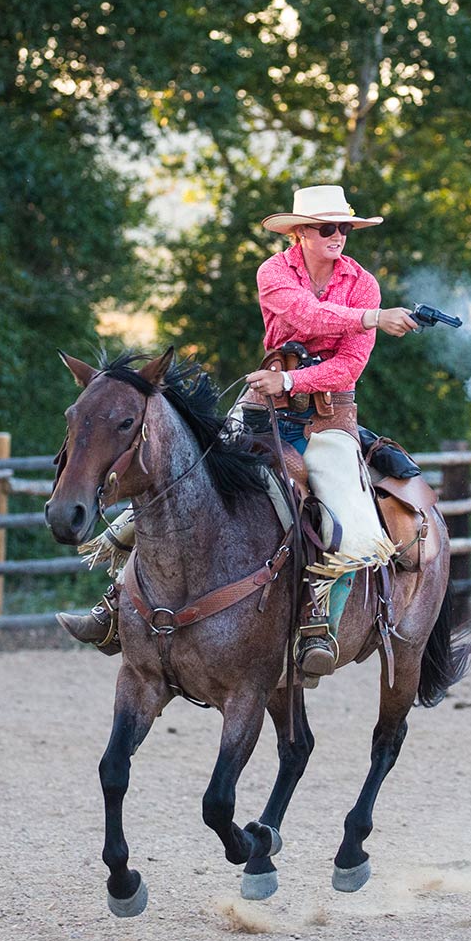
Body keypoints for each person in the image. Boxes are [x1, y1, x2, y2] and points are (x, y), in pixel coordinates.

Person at [57, 184, 416, 677]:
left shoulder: (363, 282)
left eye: (345, 227)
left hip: (329, 418)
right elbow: (304, 315)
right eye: (327, 227)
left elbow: (348, 368)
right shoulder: (274, 273)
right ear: (301, 233)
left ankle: (317, 620)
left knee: (348, 523)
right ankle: (116, 602)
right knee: (181, 484)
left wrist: (290, 378)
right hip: (262, 406)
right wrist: (372, 319)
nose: (339, 236)